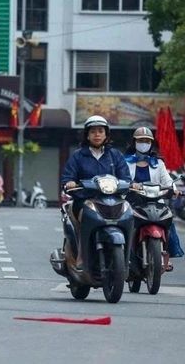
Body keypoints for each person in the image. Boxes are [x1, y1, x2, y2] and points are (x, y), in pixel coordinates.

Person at [61, 115, 131, 268]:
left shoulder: (115, 155)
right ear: (87, 135)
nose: (97, 135)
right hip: (85, 200)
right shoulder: (78, 156)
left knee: (129, 215)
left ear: (106, 134)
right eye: (93, 132)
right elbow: (67, 177)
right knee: (85, 217)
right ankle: (81, 256)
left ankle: (128, 257)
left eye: (100, 131)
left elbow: (126, 177)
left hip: (113, 200)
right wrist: (70, 183)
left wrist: (129, 184)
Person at [124, 127, 182, 270]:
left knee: (168, 220)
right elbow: (121, 179)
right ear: (134, 142)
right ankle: (123, 255)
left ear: (151, 144)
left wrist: (174, 189)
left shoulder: (158, 163)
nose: (144, 144)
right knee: (124, 222)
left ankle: (166, 255)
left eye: (147, 141)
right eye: (140, 141)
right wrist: (130, 184)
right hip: (132, 202)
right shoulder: (125, 162)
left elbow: (167, 181)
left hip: (155, 201)